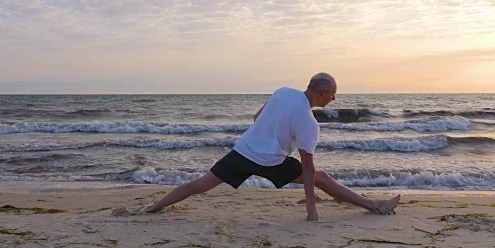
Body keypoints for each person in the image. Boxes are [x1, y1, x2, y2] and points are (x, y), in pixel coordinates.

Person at [143, 73, 400, 220]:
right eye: (333, 94)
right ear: (321, 94)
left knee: (199, 185)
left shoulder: (282, 92)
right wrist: (311, 205)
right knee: (322, 178)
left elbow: (257, 118)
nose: (334, 99)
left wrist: (269, 136)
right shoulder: (309, 122)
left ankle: (153, 207)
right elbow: (309, 168)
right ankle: (375, 206)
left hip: (243, 152)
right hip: (272, 163)